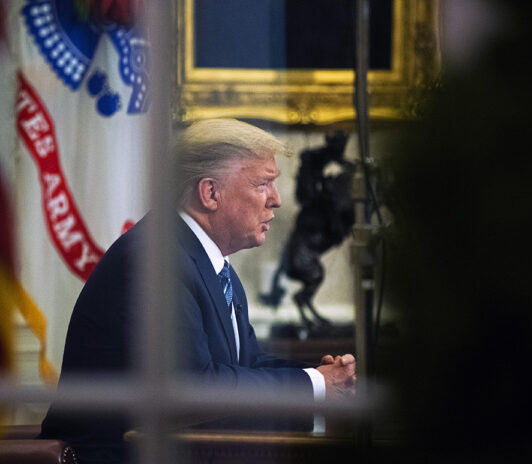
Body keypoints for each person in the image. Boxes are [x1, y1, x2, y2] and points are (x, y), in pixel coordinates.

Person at [40, 118, 356, 463]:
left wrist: (318, 377)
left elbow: (246, 363)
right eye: (263, 183)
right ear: (210, 193)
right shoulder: (155, 260)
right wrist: (315, 386)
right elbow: (190, 389)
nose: (276, 200)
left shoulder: (209, 262)